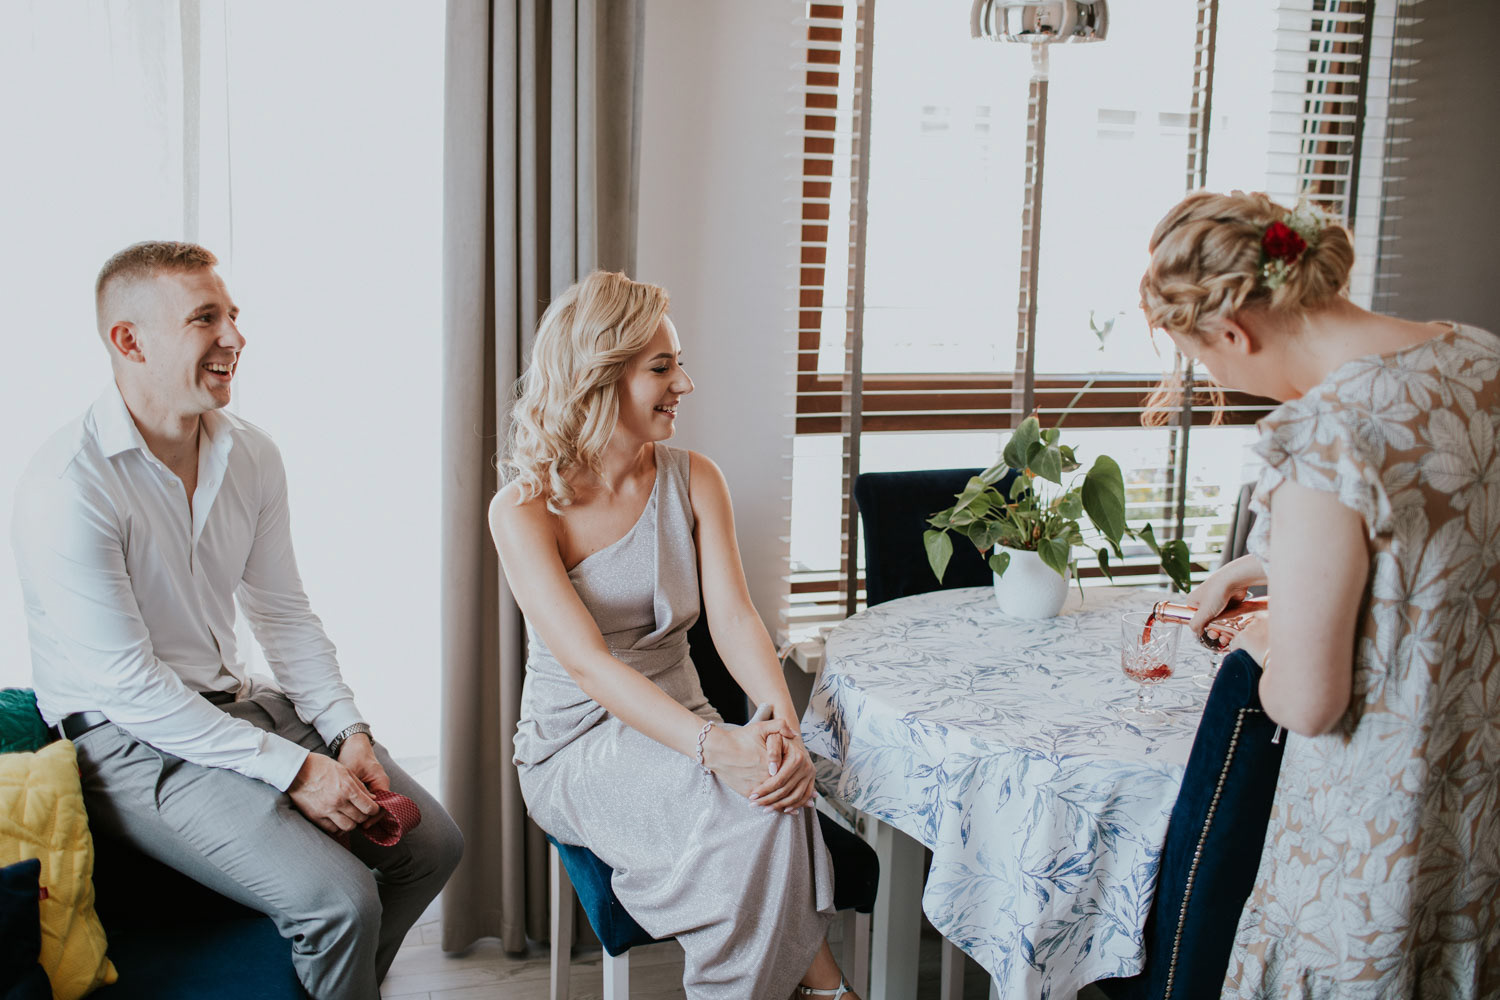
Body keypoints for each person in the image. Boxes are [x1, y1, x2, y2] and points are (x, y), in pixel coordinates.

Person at [11, 241, 464, 1000]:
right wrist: (298, 770)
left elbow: (282, 613)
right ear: (129, 341)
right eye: (205, 318)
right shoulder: (67, 485)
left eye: (233, 314)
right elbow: (130, 687)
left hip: (235, 703)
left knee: (433, 847)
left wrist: (346, 731)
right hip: (125, 737)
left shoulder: (252, 455)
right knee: (340, 903)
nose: (235, 337)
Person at [1139, 191, 1500, 997]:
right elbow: (1438, 539)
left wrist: (1260, 637)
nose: (1220, 380)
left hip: (1375, 838)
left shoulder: (1323, 434)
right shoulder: (1477, 356)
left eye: (1205, 364)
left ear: (1233, 334)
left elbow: (1307, 704)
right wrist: (1261, 563)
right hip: (1478, 807)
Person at [488, 271, 856, 999]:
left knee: (775, 793)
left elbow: (735, 617)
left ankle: (818, 992)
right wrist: (718, 747)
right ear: (599, 378)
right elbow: (589, 666)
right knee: (766, 814)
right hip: (576, 744)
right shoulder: (524, 509)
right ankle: (828, 989)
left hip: (687, 719)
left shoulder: (697, 478)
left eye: (678, 364)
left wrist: (778, 723)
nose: (684, 383)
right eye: (661, 368)